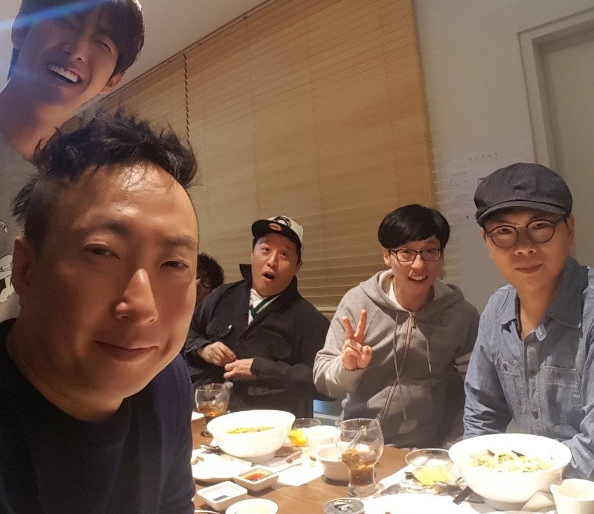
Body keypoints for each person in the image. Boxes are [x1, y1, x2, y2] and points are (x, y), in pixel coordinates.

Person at [0, 110, 198, 514]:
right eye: (102, 253)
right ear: (26, 269)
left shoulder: (166, 381)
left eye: (174, 263)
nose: (142, 307)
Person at [0, 0, 145, 321]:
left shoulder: (83, 187)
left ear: (112, 80)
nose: (78, 50)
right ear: (20, 31)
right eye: (65, 22)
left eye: (102, 42)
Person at [464, 163, 594, 480]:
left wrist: (519, 476)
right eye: (504, 232)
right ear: (486, 241)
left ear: (570, 229)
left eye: (539, 226)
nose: (523, 247)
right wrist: (481, 478)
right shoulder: (496, 310)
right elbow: (481, 417)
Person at [313, 204, 479, 448]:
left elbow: (476, 392)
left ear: (441, 255)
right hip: (356, 443)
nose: (419, 265)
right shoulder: (358, 303)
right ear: (386, 255)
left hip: (423, 449)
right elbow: (323, 383)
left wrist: (453, 447)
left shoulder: (461, 315)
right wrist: (347, 368)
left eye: (430, 251)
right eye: (406, 252)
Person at [183, 216, 329, 418]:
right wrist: (203, 348)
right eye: (266, 249)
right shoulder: (221, 296)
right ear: (252, 254)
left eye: (284, 254)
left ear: (297, 266)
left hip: (272, 427)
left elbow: (326, 384)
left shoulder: (308, 318)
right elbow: (185, 333)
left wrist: (262, 370)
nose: (272, 261)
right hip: (211, 420)